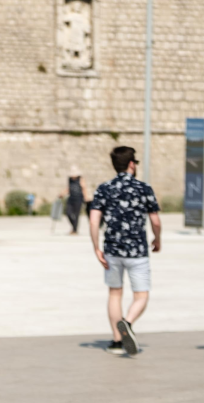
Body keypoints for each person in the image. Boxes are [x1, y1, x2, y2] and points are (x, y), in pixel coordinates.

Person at [88, 146, 162, 356]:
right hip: (137, 250)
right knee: (141, 296)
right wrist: (157, 239)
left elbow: (94, 221)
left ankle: (116, 341)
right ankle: (127, 322)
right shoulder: (143, 188)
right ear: (131, 164)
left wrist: (96, 247)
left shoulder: (104, 188)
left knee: (114, 294)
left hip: (112, 250)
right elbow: (155, 221)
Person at [63, 165, 90, 235]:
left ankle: (75, 230)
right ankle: (74, 226)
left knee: (76, 215)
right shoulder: (69, 179)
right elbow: (69, 188)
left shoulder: (80, 179)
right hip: (71, 198)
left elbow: (84, 188)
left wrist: (86, 197)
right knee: (68, 212)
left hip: (79, 198)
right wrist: (62, 193)